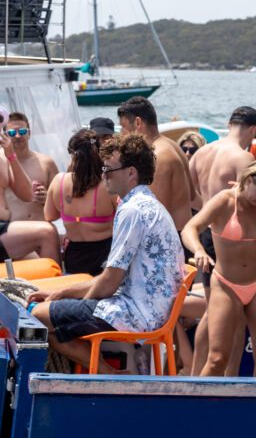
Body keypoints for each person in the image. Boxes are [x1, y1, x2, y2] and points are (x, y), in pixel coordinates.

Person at [29, 133, 185, 374]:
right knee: (54, 310)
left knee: (36, 316)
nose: (103, 175)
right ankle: (109, 373)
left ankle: (109, 374)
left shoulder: (132, 211)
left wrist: (72, 300)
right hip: (149, 308)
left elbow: (110, 282)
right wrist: (60, 294)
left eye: (109, 170)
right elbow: (110, 279)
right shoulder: (147, 203)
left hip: (138, 314)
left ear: (131, 173)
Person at [181, 159, 256, 376]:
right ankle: (197, 403)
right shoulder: (225, 201)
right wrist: (199, 250)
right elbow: (190, 227)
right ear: (249, 180)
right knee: (218, 358)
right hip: (226, 283)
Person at [187, 106, 256, 375]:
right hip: (231, 238)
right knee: (237, 316)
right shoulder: (244, 159)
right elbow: (254, 204)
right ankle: (231, 379)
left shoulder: (201, 153)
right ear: (254, 130)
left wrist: (210, 213)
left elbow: (191, 196)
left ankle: (196, 375)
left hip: (207, 233)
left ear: (229, 123)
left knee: (211, 311)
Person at [44, 130, 118, 275]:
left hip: (74, 258)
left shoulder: (59, 181)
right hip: (105, 257)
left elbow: (49, 216)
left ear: (72, 155)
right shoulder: (108, 185)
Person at [117, 97, 194, 233]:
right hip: (180, 234)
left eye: (123, 126)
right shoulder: (172, 145)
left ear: (138, 122)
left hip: (170, 239)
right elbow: (192, 195)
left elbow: (154, 216)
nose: (121, 134)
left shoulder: (158, 157)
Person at [0, 123, 59, 263]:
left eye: (21, 131)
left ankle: (54, 280)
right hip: (8, 228)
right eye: (13, 132)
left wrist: (12, 157)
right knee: (47, 232)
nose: (18, 136)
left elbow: (26, 195)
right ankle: (57, 284)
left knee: (36, 260)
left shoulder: (5, 158)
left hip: (6, 227)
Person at [5, 112, 58, 221]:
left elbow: (63, 203)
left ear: (29, 133)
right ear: (5, 135)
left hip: (40, 228)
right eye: (11, 133)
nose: (18, 136)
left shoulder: (47, 163)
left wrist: (48, 198)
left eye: (22, 131)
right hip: (10, 231)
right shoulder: (1, 163)